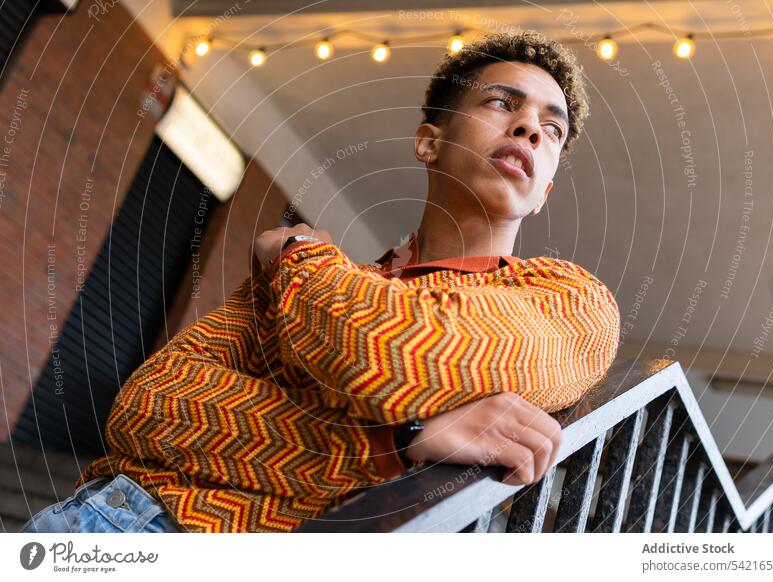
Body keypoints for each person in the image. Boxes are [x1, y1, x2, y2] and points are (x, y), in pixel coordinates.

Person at [21, 31, 619, 533]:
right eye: (500, 103)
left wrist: (298, 249)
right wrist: (395, 443)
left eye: (553, 128)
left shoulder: (572, 303)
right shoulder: (326, 281)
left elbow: (390, 351)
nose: (531, 130)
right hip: (102, 522)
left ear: (544, 191)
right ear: (428, 141)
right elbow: (149, 405)